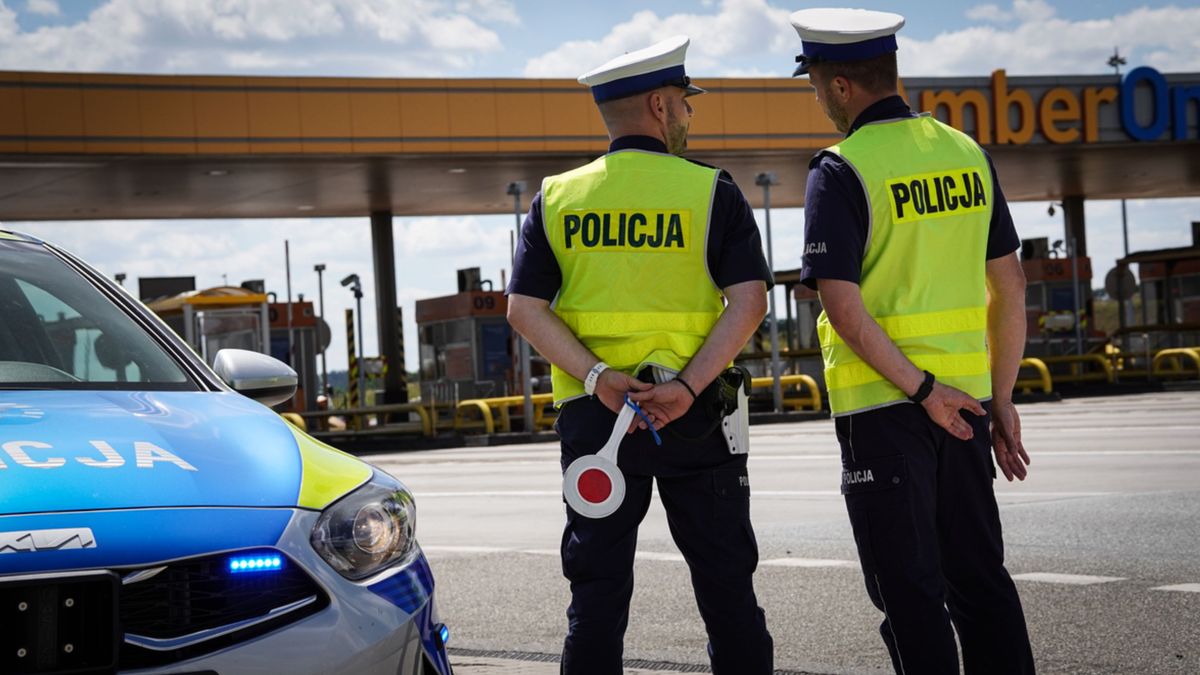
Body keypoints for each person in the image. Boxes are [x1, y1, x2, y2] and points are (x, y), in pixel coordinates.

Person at [506, 35, 774, 675]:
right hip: (698, 415)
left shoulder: (558, 198)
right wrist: (685, 387)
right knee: (727, 588)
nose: (688, 115)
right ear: (660, 105)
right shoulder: (712, 192)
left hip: (599, 420)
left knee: (595, 596)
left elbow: (523, 309)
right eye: (685, 103)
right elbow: (750, 302)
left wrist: (598, 377)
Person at [788, 8, 1036, 674]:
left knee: (911, 594)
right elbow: (1009, 284)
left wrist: (923, 391)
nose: (817, 99)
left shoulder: (840, 169)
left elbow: (842, 306)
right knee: (981, 580)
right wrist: (1003, 398)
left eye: (813, 83)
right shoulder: (965, 152)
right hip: (969, 410)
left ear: (841, 86)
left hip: (885, 410)